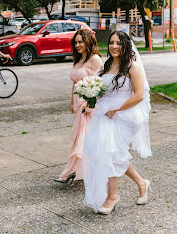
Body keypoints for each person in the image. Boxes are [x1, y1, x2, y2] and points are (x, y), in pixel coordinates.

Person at [82, 31, 152, 215]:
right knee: (113, 153)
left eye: (118, 43)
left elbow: (139, 95)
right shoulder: (106, 65)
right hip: (104, 113)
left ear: (126, 45)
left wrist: (117, 110)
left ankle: (112, 197)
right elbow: (103, 90)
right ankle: (141, 182)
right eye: (111, 43)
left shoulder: (132, 67)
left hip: (124, 114)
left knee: (110, 152)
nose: (114, 46)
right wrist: (91, 94)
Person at [53, 28, 102, 184]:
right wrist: (71, 100)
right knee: (84, 140)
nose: (77, 45)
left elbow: (100, 85)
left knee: (81, 141)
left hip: (88, 106)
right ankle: (85, 170)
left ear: (88, 41)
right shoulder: (78, 60)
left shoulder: (95, 60)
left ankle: (69, 172)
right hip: (77, 104)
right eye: (75, 42)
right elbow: (75, 83)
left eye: (80, 42)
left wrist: (90, 104)